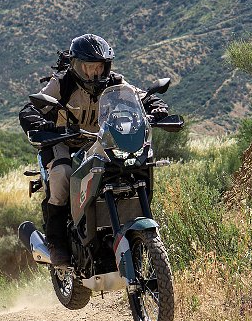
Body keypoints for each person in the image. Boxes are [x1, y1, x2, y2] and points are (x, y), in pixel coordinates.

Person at [18, 34, 169, 265]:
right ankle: (56, 242)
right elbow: (31, 108)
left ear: (106, 66)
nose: (93, 73)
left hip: (100, 142)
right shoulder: (63, 83)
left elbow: (140, 97)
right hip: (64, 143)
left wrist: (156, 107)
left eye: (98, 67)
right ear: (76, 65)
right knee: (62, 175)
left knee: (131, 166)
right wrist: (40, 123)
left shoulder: (115, 82)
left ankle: (129, 230)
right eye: (87, 67)